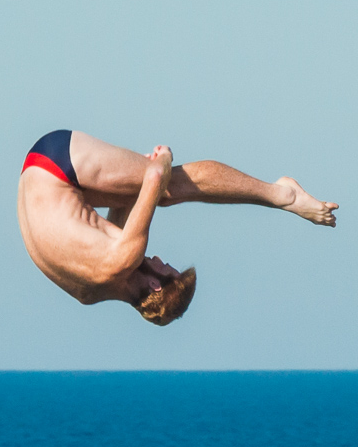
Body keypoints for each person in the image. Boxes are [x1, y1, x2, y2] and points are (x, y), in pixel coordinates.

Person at [17, 130, 338, 326]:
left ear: (157, 286)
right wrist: (142, 181)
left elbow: (156, 177)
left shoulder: (124, 258)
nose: (161, 260)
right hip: (35, 173)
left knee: (167, 191)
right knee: (150, 193)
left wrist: (163, 160)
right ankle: (282, 195)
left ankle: (282, 194)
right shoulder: (88, 294)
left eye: (168, 268)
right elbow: (114, 216)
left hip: (58, 162)